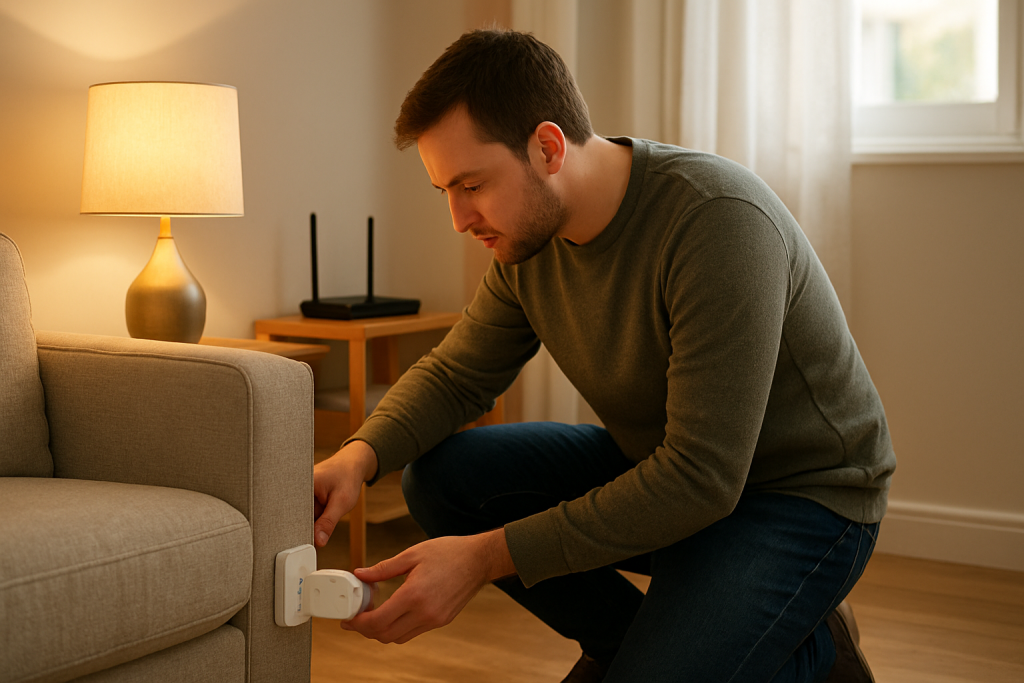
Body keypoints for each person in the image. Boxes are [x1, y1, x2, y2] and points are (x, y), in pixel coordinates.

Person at [312, 28, 895, 683]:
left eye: (471, 184)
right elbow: (456, 375)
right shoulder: (526, 248)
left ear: (548, 146)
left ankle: (815, 650)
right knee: (440, 478)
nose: (458, 217)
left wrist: (483, 557)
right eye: (444, 189)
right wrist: (355, 457)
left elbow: (703, 475)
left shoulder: (717, 222)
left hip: (803, 498)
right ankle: (631, 640)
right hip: (672, 467)